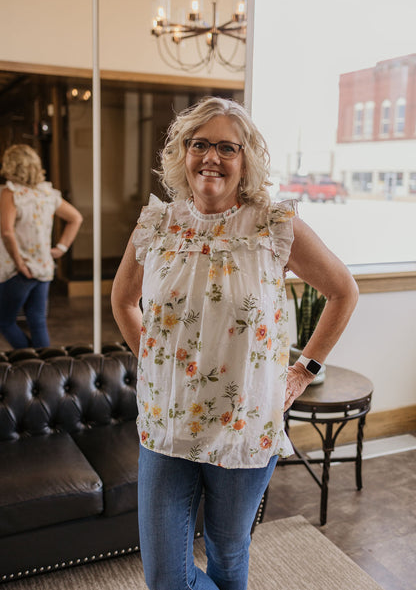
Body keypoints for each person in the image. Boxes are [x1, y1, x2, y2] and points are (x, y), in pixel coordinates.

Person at [111, 97, 359, 590]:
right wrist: (157, 363)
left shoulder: (274, 226)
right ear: (183, 152)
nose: (212, 157)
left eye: (228, 147)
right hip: (166, 425)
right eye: (200, 144)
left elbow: (342, 291)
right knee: (166, 578)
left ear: (246, 160)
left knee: (228, 555)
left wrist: (302, 370)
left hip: (244, 425)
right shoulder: (156, 225)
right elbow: (124, 303)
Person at [0, 144, 83, 349]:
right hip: (44, 268)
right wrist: (61, 248)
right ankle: (45, 368)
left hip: (17, 270)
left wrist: (19, 263)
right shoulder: (47, 193)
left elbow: (7, 231)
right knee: (37, 322)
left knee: (4, 321)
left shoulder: (10, 193)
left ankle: (32, 363)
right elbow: (76, 218)